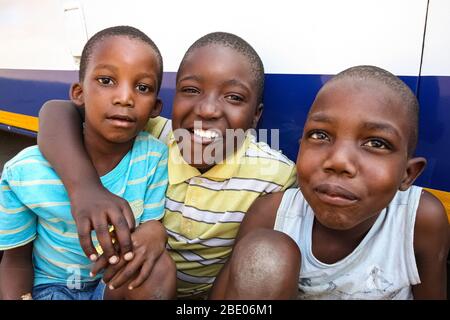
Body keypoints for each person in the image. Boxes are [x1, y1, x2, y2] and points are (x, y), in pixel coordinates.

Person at [36, 32, 297, 298]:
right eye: (191, 90)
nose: (207, 110)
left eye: (233, 97)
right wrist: (84, 188)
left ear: (256, 115)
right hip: (142, 285)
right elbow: (56, 110)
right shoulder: (154, 134)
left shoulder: (274, 174)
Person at [210, 65, 449, 300]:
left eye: (376, 143)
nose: (338, 161)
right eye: (320, 135)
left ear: (408, 174)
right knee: (265, 251)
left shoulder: (419, 220)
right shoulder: (272, 215)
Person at [0, 26, 176, 300]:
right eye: (106, 81)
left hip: (112, 283)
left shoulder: (153, 158)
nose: (125, 98)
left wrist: (156, 230)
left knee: (157, 266)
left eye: (142, 87)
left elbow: (149, 230)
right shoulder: (27, 171)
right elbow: (14, 261)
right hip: (51, 289)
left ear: (155, 107)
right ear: (79, 93)